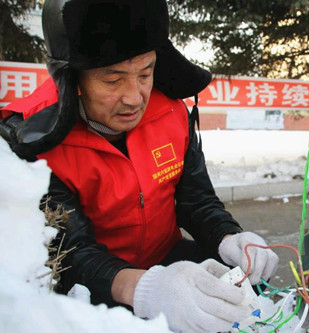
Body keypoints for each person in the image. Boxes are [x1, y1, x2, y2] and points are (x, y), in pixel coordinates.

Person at [0, 0, 279, 332]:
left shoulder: (171, 113)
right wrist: (146, 288)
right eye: (113, 80)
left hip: (169, 261)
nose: (134, 97)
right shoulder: (32, 140)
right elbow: (71, 253)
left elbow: (196, 200)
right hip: (92, 284)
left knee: (248, 301)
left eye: (145, 73)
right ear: (74, 79)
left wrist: (229, 237)